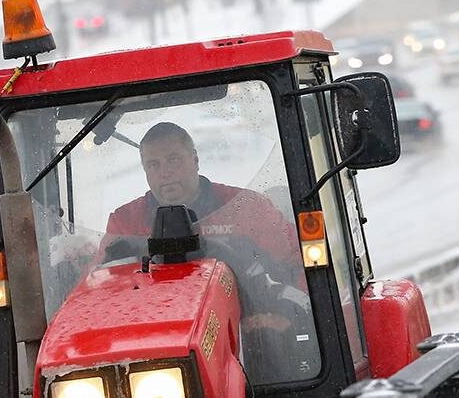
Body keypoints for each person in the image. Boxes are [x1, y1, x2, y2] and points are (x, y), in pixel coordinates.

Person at [102, 122, 318, 382]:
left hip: (246, 337)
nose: (165, 173)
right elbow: (104, 291)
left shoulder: (245, 209)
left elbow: (304, 264)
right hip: (156, 355)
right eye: (154, 165)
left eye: (173, 160)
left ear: (195, 160)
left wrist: (287, 317)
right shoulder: (125, 223)